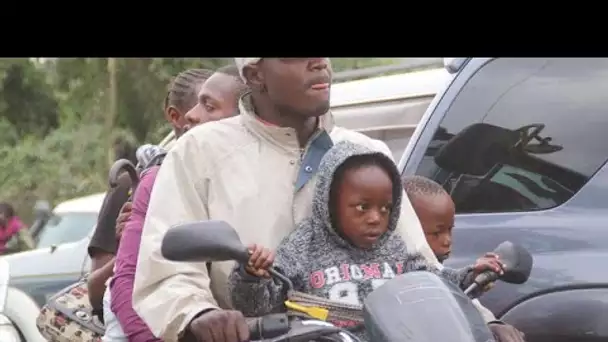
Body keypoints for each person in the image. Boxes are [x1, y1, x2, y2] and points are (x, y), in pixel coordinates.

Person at [132, 58, 523, 342]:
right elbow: (166, 269)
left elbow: (417, 264)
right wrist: (199, 314)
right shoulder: (201, 151)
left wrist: (479, 319)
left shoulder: (365, 152)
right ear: (255, 75)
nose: (319, 64)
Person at [228, 141, 502, 340]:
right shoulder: (304, 243)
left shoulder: (394, 246)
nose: (375, 218)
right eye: (362, 207)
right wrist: (253, 276)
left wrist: (469, 277)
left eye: (385, 208)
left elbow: (431, 284)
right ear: (330, 202)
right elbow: (259, 306)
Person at [104, 65, 248, 342]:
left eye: (209, 106)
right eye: (196, 104)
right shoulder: (159, 178)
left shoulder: (272, 177)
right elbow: (131, 280)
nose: (192, 115)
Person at [87, 68, 214, 315]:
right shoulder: (131, 185)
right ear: (175, 116)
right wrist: (137, 244)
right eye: (203, 106)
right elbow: (95, 292)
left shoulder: (234, 180)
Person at [404, 175, 526, 341]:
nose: (448, 240)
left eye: (449, 229)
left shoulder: (432, 269)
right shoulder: (383, 266)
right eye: (436, 233)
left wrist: (491, 325)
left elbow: (456, 294)